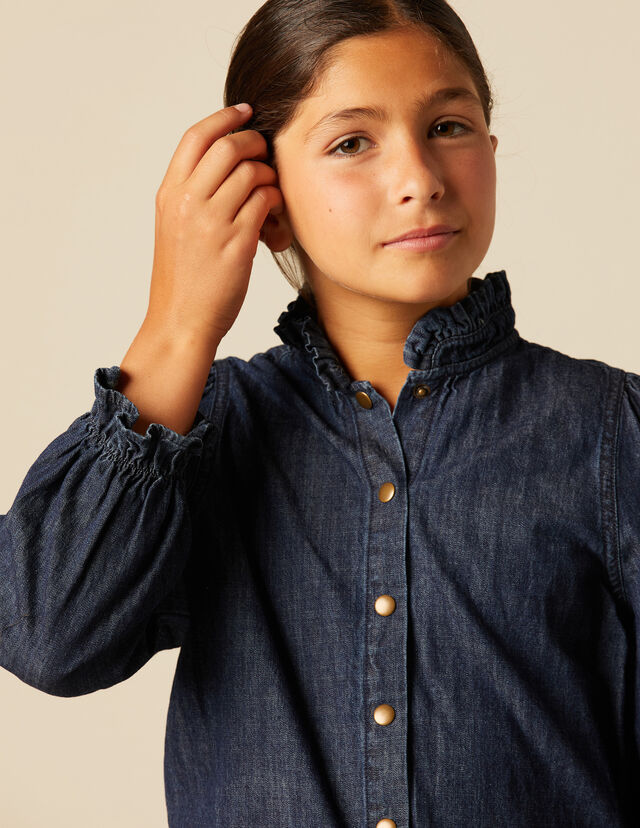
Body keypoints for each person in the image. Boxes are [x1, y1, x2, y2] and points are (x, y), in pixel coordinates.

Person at [1, 0, 639, 826]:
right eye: (351, 143)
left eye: (447, 126)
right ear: (263, 200)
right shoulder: (205, 432)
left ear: (491, 146)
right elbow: (46, 637)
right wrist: (176, 326)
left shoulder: (609, 431)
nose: (420, 178)